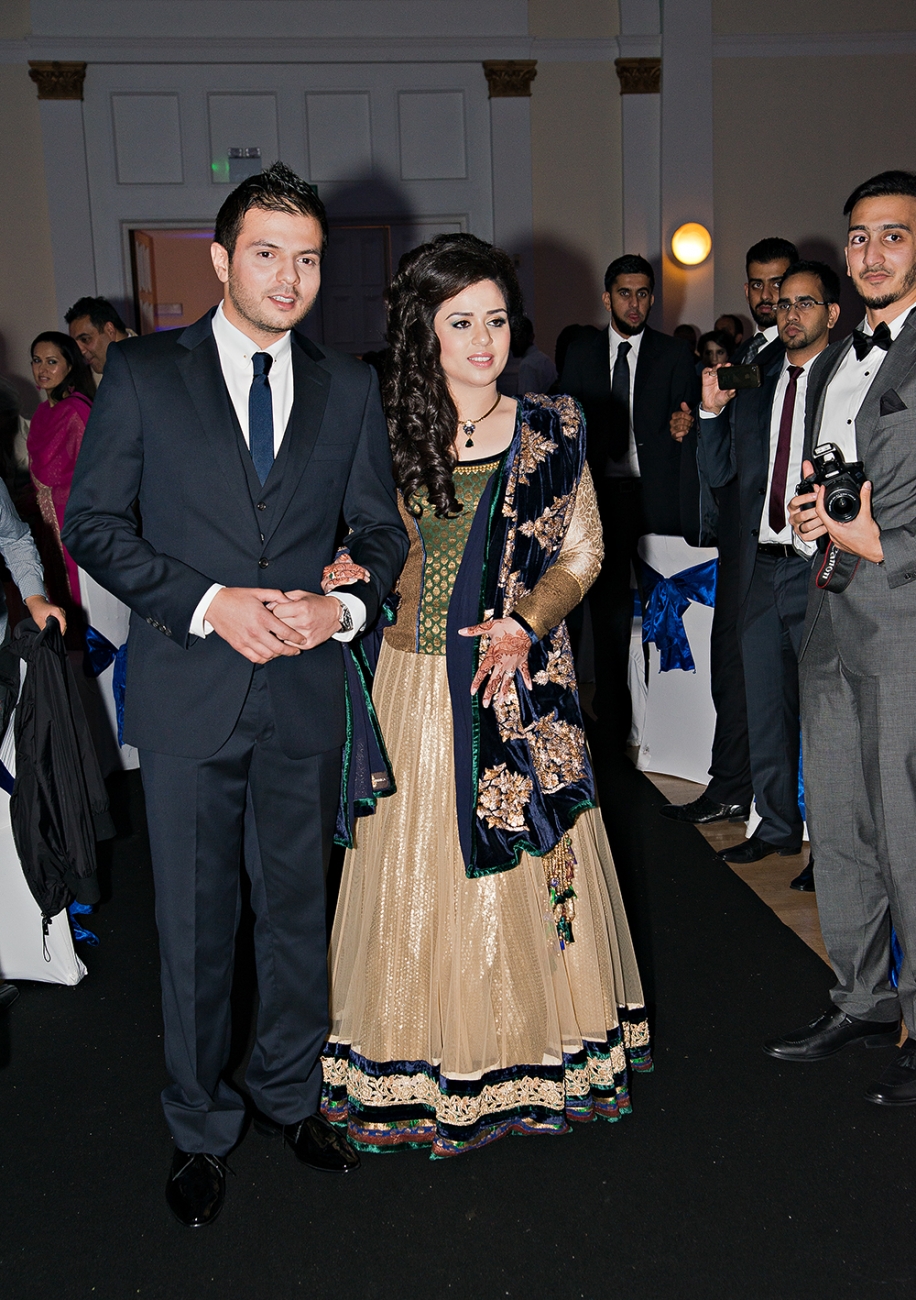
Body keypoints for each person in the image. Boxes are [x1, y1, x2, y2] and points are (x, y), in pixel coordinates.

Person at [62, 162, 408, 1227]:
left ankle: (289, 1096)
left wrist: (339, 609)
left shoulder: (349, 385)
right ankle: (198, 1126)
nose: (288, 278)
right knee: (196, 927)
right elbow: (92, 525)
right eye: (266, 254)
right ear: (220, 261)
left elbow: (380, 534)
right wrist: (210, 603)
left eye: (307, 259)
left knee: (297, 918)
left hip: (302, 695)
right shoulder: (144, 374)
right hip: (189, 696)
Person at [320, 234, 650, 1157]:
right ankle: (414, 1058)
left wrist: (527, 623)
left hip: (514, 684)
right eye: (460, 322)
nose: (482, 340)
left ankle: (530, 1055)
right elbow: (365, 539)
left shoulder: (552, 427)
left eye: (496, 320)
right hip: (411, 680)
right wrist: (347, 567)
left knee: (517, 865)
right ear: (424, 332)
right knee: (412, 873)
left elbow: (584, 551)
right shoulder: (385, 430)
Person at [767, 171, 916, 1103]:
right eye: (859, 237)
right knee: (842, 823)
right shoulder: (832, 360)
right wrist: (813, 517)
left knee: (908, 829)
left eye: (893, 235)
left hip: (902, 616)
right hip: (828, 609)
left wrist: (883, 542)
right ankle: (862, 998)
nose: (871, 253)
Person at [694, 261, 841, 870]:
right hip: (761, 566)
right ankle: (776, 826)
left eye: (805, 303)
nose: (790, 313)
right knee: (766, 707)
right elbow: (721, 472)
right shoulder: (757, 378)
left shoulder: (847, 377)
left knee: (827, 717)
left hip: (822, 569)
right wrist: (710, 414)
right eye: (784, 304)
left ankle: (832, 854)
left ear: (833, 313)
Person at [662, 237, 798, 828]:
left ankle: (748, 792)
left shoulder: (798, 356)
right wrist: (702, 418)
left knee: (754, 672)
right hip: (740, 534)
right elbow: (726, 457)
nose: (768, 295)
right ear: (745, 289)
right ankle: (733, 785)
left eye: (779, 284)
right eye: (758, 284)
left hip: (779, 538)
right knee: (732, 665)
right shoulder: (749, 354)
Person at [556, 254, 699, 744]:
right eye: (624, 293)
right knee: (609, 616)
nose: (634, 303)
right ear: (607, 298)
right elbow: (567, 428)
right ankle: (612, 727)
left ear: (652, 297)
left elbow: (691, 421)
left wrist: (688, 423)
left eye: (642, 294)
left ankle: (670, 723)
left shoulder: (674, 354)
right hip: (601, 502)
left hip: (656, 501)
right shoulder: (582, 353)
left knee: (669, 611)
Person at [27, 332, 94, 609]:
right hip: (46, 523)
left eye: (52, 362)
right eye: (37, 360)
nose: (42, 369)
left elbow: (95, 473)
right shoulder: (42, 412)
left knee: (81, 603)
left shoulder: (76, 410)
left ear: (70, 365)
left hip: (76, 523)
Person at [65, 296, 133, 380]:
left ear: (110, 330)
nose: (81, 351)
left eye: (85, 339)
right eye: (76, 345)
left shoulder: (147, 358)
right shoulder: (86, 380)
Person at [497, 315, 557, 396]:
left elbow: (526, 400)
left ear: (529, 337)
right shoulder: (543, 359)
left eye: (517, 338)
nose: (512, 343)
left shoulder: (528, 365)